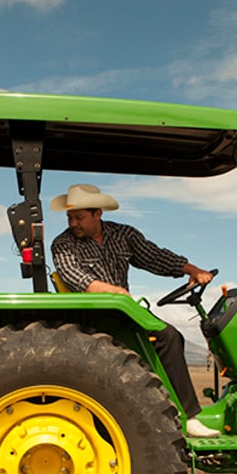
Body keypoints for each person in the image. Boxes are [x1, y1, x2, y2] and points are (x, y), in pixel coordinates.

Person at [49, 183, 221, 438]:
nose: (73, 223)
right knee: (168, 337)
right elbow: (77, 279)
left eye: (79, 217)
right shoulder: (63, 244)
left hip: (123, 312)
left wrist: (193, 271)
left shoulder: (123, 235)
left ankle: (169, 410)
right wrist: (114, 292)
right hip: (92, 315)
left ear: (98, 214)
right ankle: (189, 417)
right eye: (70, 218)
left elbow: (155, 257)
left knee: (170, 338)